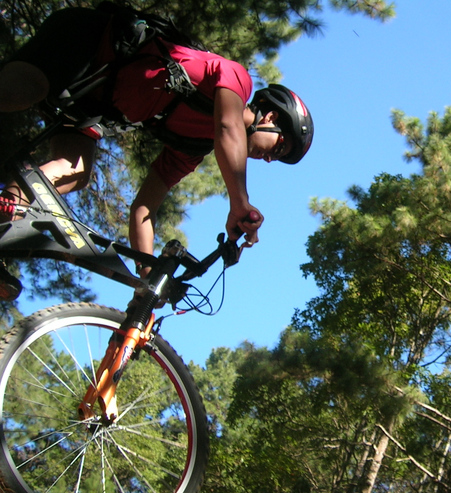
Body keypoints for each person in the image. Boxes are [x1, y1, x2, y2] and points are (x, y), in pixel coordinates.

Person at [0, 4, 314, 301]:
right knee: (24, 89)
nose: (272, 158)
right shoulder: (236, 78)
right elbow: (227, 128)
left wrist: (148, 277)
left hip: (88, 108)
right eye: (281, 146)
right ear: (270, 118)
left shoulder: (191, 148)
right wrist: (239, 202)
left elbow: (143, 210)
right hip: (91, 40)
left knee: (75, 171)